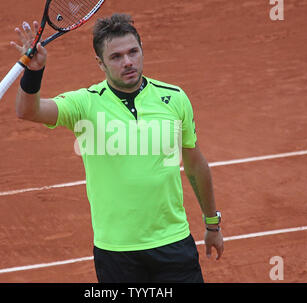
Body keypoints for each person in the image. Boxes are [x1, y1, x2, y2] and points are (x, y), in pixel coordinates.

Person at [12, 13, 224, 283]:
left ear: (142, 51)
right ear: (100, 63)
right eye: (116, 57)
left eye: (133, 52)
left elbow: (194, 164)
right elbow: (27, 111)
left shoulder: (174, 98)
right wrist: (33, 73)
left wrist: (212, 223)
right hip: (116, 253)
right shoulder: (84, 104)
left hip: (173, 244)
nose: (128, 62)